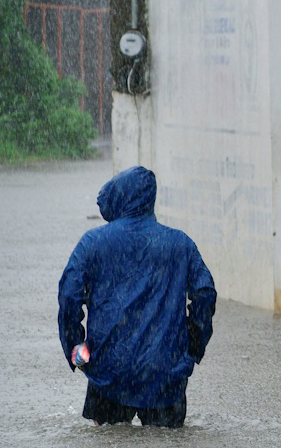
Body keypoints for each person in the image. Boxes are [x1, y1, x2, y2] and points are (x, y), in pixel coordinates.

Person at [58, 166, 216, 428]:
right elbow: (205, 294)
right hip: (164, 374)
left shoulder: (92, 243)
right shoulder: (180, 244)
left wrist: (76, 347)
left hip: (108, 371)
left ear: (118, 198)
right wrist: (192, 345)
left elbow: (69, 296)